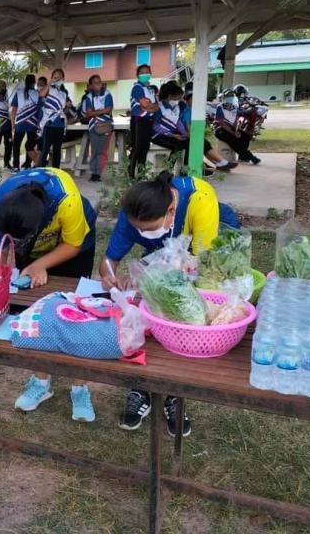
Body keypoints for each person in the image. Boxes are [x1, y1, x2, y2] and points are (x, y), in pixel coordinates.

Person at [99, 171, 240, 437]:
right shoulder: (136, 209)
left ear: (171, 211)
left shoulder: (200, 200)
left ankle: (175, 396)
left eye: (148, 229)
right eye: (138, 229)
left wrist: (159, 277)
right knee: (148, 318)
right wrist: (109, 275)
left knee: (185, 321)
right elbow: (110, 258)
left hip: (203, 255)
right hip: (165, 257)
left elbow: (202, 268)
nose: (141, 233)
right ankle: (142, 388)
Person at [0, 167, 98, 421]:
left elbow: (73, 244)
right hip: (30, 237)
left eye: (21, 240)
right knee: (33, 310)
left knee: (75, 313)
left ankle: (79, 387)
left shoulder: (66, 201)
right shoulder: (0, 203)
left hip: (73, 245)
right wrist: (2, 278)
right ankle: (40, 382)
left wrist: (40, 264)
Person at [152, 80, 236, 173]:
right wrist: (173, 135)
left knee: (193, 141)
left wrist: (185, 134)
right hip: (159, 135)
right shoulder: (159, 107)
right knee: (180, 145)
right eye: (177, 98)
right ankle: (169, 171)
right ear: (170, 96)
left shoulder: (175, 108)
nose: (179, 100)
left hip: (173, 134)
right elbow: (156, 127)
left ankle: (187, 170)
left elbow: (178, 123)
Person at [80, 74, 114, 182]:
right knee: (94, 150)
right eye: (95, 83)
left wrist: (96, 112)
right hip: (93, 126)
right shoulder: (89, 97)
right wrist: (103, 111)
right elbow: (89, 113)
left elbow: (109, 109)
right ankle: (93, 172)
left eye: (99, 82)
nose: (98, 84)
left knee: (102, 151)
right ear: (90, 86)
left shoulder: (107, 94)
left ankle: (98, 173)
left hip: (105, 126)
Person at [214, 88, 261, 165]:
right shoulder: (220, 107)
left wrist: (236, 131)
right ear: (224, 97)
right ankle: (251, 157)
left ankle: (243, 157)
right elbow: (222, 123)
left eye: (232, 96)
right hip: (221, 130)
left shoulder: (235, 107)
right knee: (234, 140)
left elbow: (235, 121)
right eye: (228, 96)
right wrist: (233, 133)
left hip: (231, 129)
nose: (230, 97)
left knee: (246, 136)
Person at [128, 64, 158, 178]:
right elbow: (144, 104)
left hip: (148, 120)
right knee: (137, 148)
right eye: (142, 72)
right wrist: (149, 106)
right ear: (137, 75)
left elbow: (156, 106)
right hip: (139, 120)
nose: (145, 74)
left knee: (145, 148)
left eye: (147, 72)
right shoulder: (137, 88)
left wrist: (148, 107)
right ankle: (131, 174)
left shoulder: (150, 89)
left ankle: (141, 174)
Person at [38, 68, 71, 168]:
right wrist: (50, 82)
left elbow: (64, 109)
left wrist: (68, 106)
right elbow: (41, 94)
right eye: (55, 76)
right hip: (49, 124)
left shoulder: (64, 93)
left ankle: (56, 172)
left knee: (57, 151)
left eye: (59, 76)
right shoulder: (50, 88)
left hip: (60, 125)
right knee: (45, 150)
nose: (57, 77)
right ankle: (41, 171)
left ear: (63, 78)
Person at [9, 74, 40, 171]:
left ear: (25, 82)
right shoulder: (37, 93)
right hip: (33, 123)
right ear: (34, 82)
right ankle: (27, 165)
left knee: (16, 145)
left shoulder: (18, 93)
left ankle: (16, 166)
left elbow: (14, 109)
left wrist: (13, 123)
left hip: (20, 123)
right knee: (30, 145)